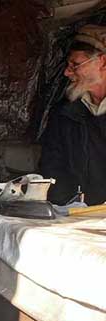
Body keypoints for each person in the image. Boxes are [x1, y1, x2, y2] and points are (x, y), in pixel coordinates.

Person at [40, 25, 106, 205]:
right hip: (78, 217)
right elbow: (52, 166)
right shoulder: (65, 112)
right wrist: (68, 207)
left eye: (75, 65)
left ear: (103, 62)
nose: (67, 72)